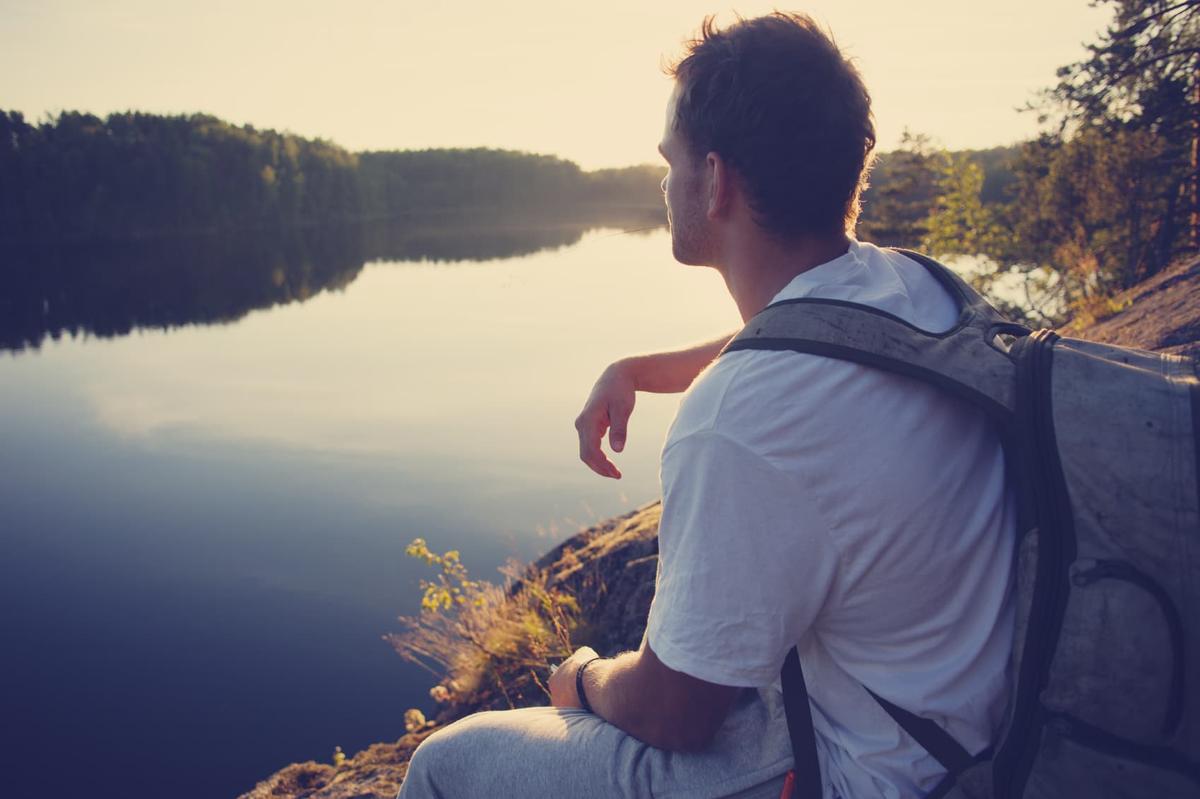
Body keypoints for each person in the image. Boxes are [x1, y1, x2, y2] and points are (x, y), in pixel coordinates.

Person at [399, 12, 1014, 799]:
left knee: (443, 766)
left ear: (716, 180)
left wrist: (582, 679)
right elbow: (809, 341)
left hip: (879, 772)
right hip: (978, 719)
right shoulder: (918, 286)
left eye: (670, 160)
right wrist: (638, 368)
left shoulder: (737, 421)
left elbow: (674, 713)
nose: (663, 181)